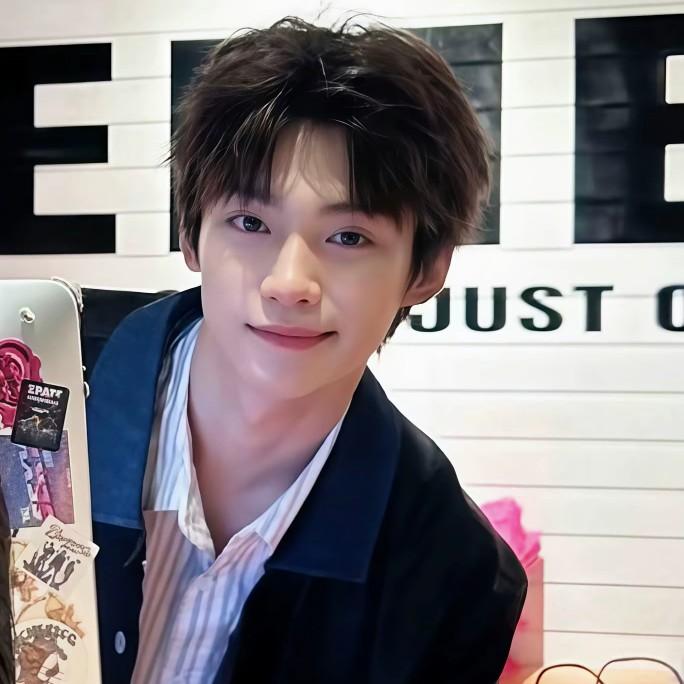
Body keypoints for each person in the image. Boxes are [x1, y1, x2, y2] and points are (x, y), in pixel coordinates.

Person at [86, 15, 527, 684]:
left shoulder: (449, 573)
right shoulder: (36, 380)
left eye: (348, 237)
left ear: (426, 270)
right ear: (191, 234)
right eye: (250, 222)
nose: (289, 283)